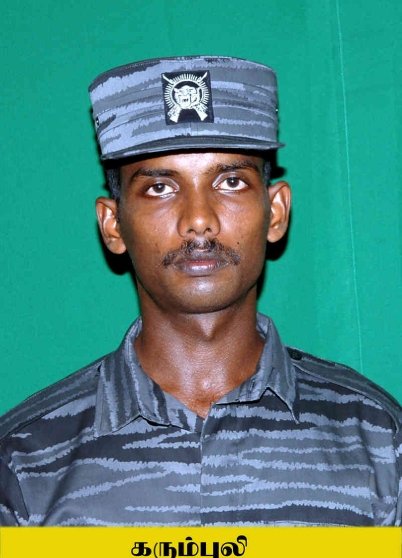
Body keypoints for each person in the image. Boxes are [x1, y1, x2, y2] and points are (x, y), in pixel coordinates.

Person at [0, 56, 401, 526]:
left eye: (230, 182)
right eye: (160, 188)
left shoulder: (377, 441)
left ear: (275, 212)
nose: (198, 220)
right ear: (113, 225)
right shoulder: (26, 464)